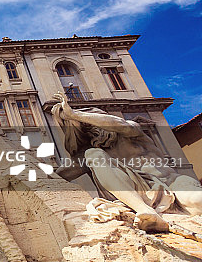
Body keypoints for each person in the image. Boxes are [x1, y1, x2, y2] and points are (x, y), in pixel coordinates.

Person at [52, 93, 202, 232]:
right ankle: (145, 211)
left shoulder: (131, 131)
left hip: (172, 183)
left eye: (92, 123)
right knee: (92, 153)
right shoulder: (94, 153)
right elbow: (56, 177)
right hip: (139, 193)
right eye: (87, 130)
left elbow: (119, 124)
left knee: (197, 201)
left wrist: (76, 115)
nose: (94, 131)